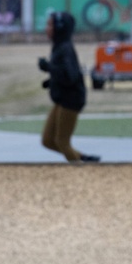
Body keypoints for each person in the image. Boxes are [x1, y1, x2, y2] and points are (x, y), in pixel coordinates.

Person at [38, 11, 99, 164]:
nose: (47, 28)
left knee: (62, 141)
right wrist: (51, 81)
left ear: (59, 28)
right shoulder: (59, 47)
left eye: (50, 25)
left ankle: (80, 168)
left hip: (70, 101)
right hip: (62, 99)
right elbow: (64, 74)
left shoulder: (65, 49)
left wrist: (49, 68)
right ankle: (82, 158)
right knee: (47, 140)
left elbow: (70, 77)